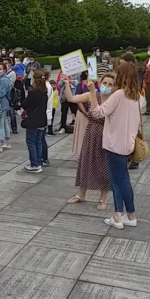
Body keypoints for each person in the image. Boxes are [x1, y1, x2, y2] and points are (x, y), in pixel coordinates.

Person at [87, 59, 141, 229]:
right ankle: (128, 214)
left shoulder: (119, 95)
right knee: (122, 178)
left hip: (114, 142)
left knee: (118, 180)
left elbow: (98, 112)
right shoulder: (138, 96)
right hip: (128, 143)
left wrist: (91, 92)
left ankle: (119, 215)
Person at [63, 73, 115, 211]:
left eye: (110, 84)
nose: (107, 87)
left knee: (104, 166)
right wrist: (67, 84)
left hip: (106, 135)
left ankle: (103, 198)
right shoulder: (93, 95)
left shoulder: (114, 99)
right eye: (105, 83)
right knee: (85, 162)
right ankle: (81, 194)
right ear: (100, 82)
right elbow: (71, 98)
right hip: (91, 132)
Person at [21, 70, 48, 172]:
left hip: (33, 120)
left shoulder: (33, 92)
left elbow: (25, 104)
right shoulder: (44, 91)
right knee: (38, 142)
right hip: (42, 119)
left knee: (31, 142)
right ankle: (39, 161)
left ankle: (34, 164)